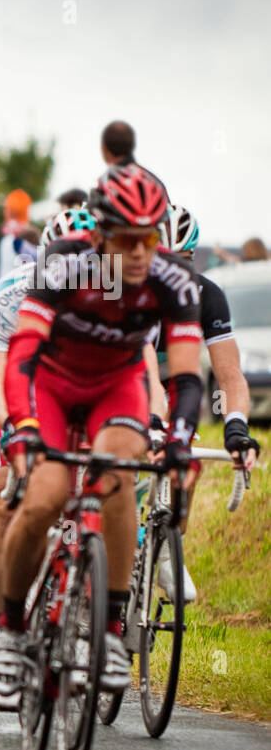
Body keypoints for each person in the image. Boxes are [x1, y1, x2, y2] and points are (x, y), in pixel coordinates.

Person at [0, 164, 204, 705]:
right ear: (100, 236)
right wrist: (25, 428)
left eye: (149, 239)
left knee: (117, 474)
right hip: (52, 386)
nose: (139, 253)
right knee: (42, 502)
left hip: (117, 385)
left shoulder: (171, 279)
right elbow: (21, 358)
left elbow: (183, 374)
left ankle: (108, 633)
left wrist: (178, 439)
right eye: (127, 240)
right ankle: (11, 632)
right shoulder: (62, 265)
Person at [0, 206, 96, 709]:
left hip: (81, 404)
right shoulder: (14, 292)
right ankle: (2, 629)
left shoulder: (113, 294)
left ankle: (84, 616)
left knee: (97, 497)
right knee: (9, 506)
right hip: (16, 403)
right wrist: (17, 430)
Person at [143, 203, 260, 600]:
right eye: (163, 260)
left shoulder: (208, 296)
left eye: (184, 261)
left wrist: (237, 425)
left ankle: (166, 546)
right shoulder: (128, 289)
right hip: (128, 374)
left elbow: (229, 376)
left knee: (185, 454)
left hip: (178, 377)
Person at [0, 189, 36, 283]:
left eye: (6, 208)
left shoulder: (10, 239)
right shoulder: (32, 235)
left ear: (11, 211)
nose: (4, 211)